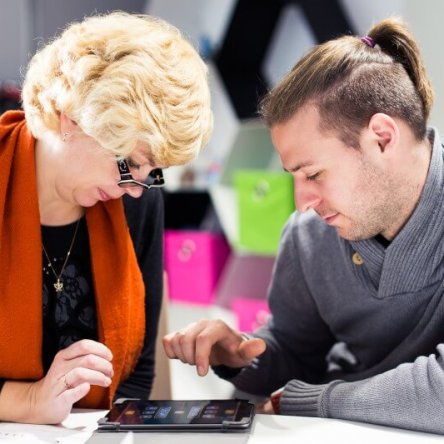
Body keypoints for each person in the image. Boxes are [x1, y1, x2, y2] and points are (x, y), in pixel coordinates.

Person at [163, 17, 444, 435]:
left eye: (313, 174)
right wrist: (241, 355)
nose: (302, 204)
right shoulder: (308, 236)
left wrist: (311, 401)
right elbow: (296, 351)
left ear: (383, 138)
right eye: (293, 177)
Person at [0, 11, 212, 424]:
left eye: (154, 172)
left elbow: (137, 374)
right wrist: (29, 402)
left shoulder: (138, 201)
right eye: (130, 163)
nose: (137, 189)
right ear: (71, 118)